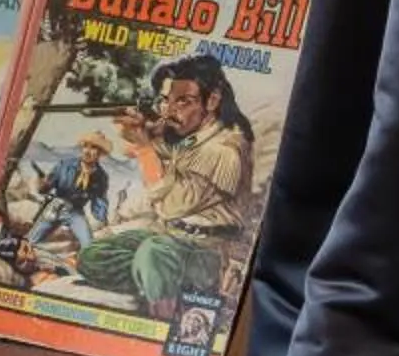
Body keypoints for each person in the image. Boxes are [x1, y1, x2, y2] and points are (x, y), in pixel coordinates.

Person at [74, 52, 260, 319]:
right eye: (166, 101)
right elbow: (158, 156)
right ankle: (159, 283)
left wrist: (145, 147)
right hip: (170, 239)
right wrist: (142, 133)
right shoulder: (191, 137)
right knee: (93, 255)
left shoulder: (224, 149)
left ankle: (165, 315)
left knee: (152, 255)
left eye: (183, 101)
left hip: (205, 251)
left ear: (213, 100)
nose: (170, 111)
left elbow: (173, 205)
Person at [24, 131, 115, 259]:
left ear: (100, 153)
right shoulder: (65, 165)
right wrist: (42, 183)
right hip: (55, 208)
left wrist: (103, 221)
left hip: (75, 212)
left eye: (93, 148)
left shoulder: (101, 176)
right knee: (31, 240)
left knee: (88, 245)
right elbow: (46, 188)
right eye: (85, 146)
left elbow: (99, 200)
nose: (87, 151)